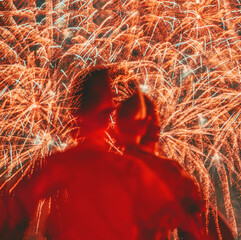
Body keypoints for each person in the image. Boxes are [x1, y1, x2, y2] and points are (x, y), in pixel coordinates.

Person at [2, 67, 172, 239]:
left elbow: (17, 211)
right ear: (110, 114)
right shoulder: (131, 170)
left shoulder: (61, 165)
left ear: (76, 112)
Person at [113, 90, 235, 240]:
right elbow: (209, 227)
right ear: (156, 130)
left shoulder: (106, 170)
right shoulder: (168, 171)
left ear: (118, 128)